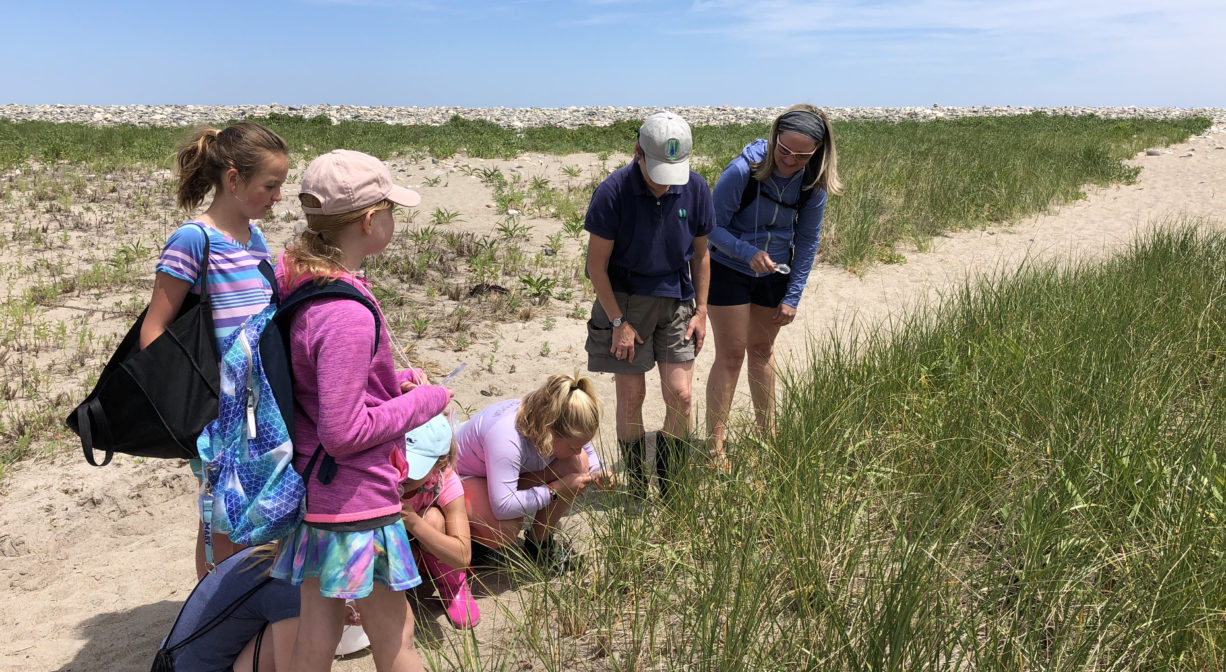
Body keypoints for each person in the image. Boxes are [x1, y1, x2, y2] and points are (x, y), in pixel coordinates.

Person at [270, 149, 452, 672]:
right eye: (391, 210)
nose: (394, 220)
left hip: (317, 498)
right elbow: (345, 430)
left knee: (316, 635)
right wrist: (425, 401)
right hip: (356, 503)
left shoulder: (304, 287)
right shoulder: (346, 313)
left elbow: (323, 388)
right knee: (397, 638)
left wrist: (391, 384)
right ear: (371, 221)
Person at [140, 122, 290, 579]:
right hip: (218, 411)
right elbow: (155, 329)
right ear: (233, 180)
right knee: (220, 523)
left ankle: (249, 610)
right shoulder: (193, 239)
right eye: (270, 185)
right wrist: (186, 411)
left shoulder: (255, 239)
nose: (278, 197)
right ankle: (210, 619)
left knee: (261, 513)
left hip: (258, 407)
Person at [584, 111, 714, 499]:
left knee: (682, 394)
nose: (663, 182)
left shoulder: (696, 188)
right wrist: (618, 321)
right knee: (632, 396)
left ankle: (671, 483)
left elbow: (701, 254)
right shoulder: (613, 191)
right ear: (637, 151)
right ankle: (639, 487)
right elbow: (596, 267)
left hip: (677, 297)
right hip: (624, 300)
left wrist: (702, 309)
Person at [704, 104, 843, 459]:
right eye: (784, 150)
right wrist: (745, 251)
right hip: (729, 268)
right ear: (774, 138)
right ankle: (715, 446)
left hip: (774, 274)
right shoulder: (741, 171)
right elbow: (709, 227)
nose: (790, 160)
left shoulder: (813, 185)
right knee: (732, 354)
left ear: (817, 152)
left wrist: (793, 295)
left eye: (802, 155)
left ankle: (768, 434)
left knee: (762, 351)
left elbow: (809, 241)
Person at [455, 374, 605, 571]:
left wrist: (598, 470)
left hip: (497, 476)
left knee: (578, 464)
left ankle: (538, 543)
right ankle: (473, 542)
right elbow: (503, 506)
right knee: (504, 528)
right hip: (464, 480)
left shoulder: (547, 416)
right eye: (573, 446)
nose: (580, 449)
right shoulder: (507, 437)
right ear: (551, 432)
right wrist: (556, 490)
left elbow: (584, 449)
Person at [153, 543, 301, 672]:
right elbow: (290, 666)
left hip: (172, 664)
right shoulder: (287, 580)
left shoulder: (262, 553)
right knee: (301, 626)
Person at [399, 413, 480, 629]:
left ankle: (452, 584)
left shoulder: (445, 481)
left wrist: (413, 521)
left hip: (423, 542)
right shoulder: (384, 475)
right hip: (397, 550)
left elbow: (463, 555)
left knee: (433, 519)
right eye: (400, 458)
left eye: (414, 466)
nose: (403, 473)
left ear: (439, 464)